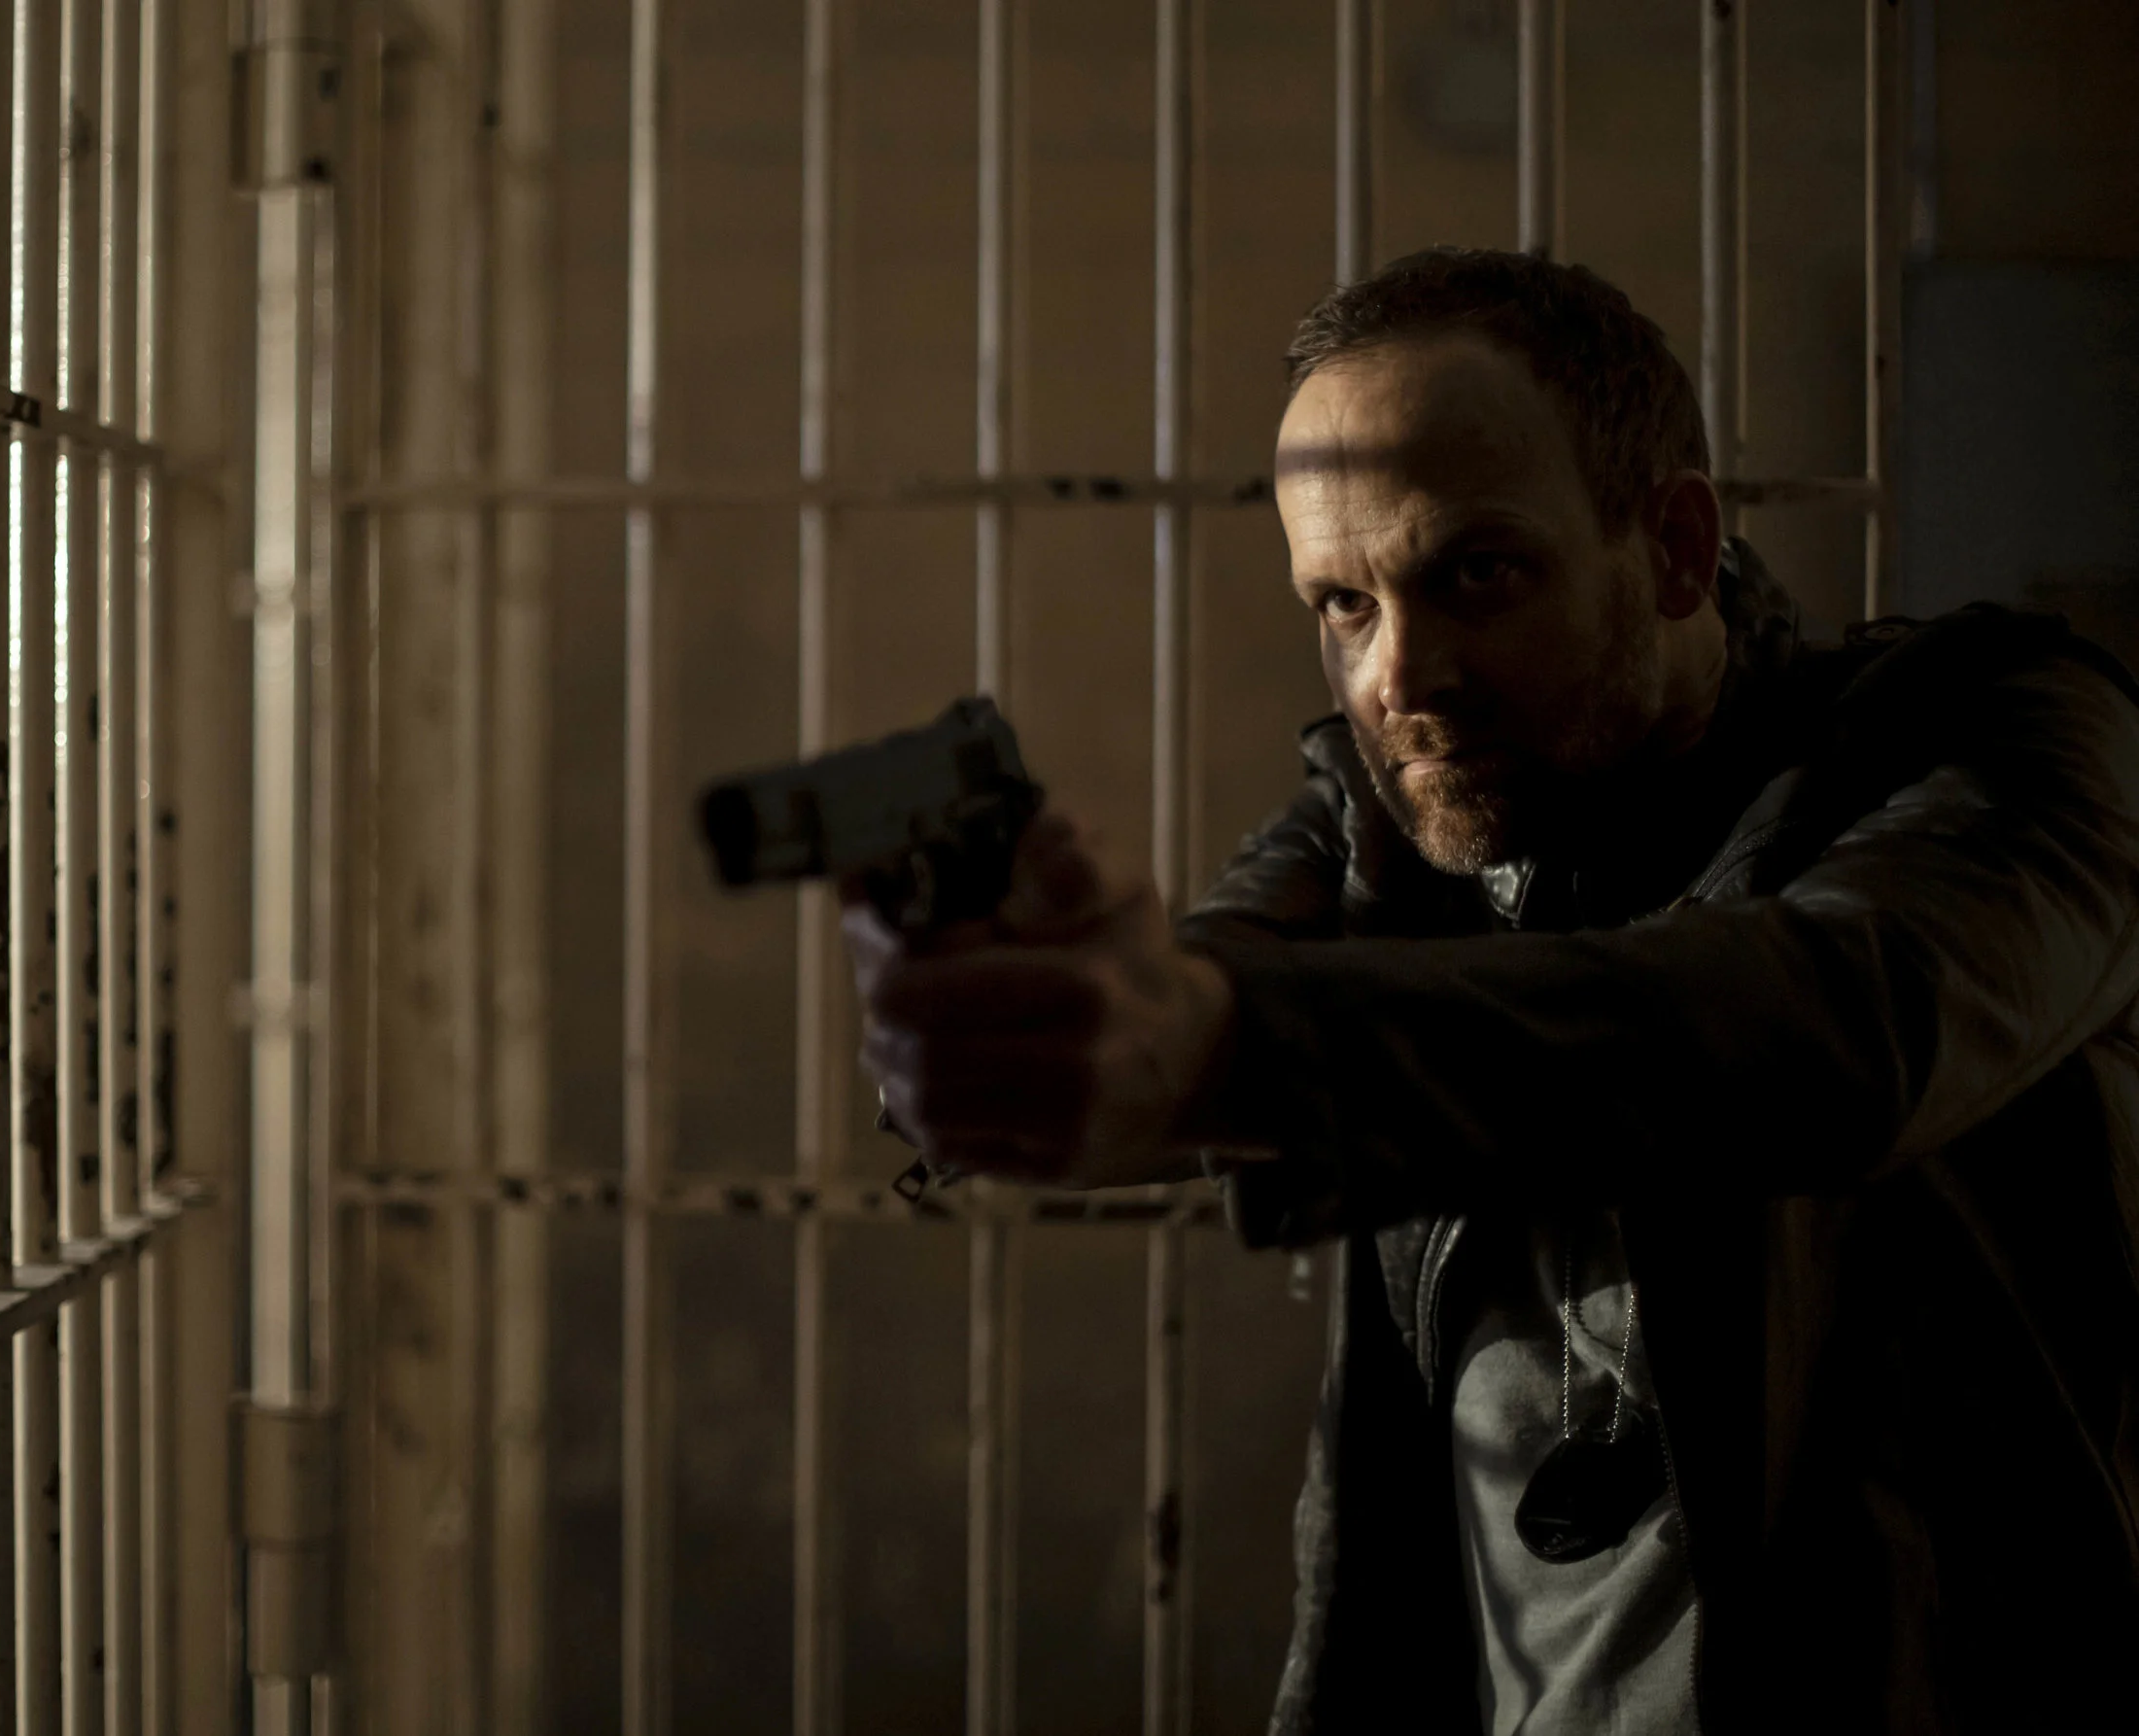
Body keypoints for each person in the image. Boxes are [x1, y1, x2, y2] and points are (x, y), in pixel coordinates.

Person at [843, 247, 2139, 1735]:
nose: (1401, 674)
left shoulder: (2008, 742)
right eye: (1342, 604)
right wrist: (1015, 1011)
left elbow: (1829, 1026)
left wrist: (1204, 1045)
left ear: (1672, 548)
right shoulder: (1400, 821)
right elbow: (1198, 1013)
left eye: (1476, 573)